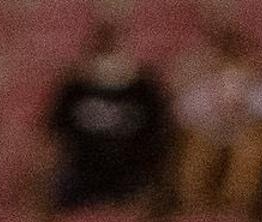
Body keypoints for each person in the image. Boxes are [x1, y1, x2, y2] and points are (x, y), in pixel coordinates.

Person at [41, 22, 172, 210]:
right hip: (83, 171)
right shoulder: (74, 89)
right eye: (103, 51)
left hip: (132, 171)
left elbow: (159, 132)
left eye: (113, 50)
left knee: (153, 197)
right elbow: (53, 130)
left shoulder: (144, 88)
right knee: (49, 190)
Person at [172, 27, 262, 212]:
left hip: (248, 134)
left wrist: (248, 105)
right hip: (212, 133)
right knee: (198, 147)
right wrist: (215, 109)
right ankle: (195, 204)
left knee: (253, 147)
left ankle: (236, 204)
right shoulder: (206, 85)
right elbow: (184, 113)